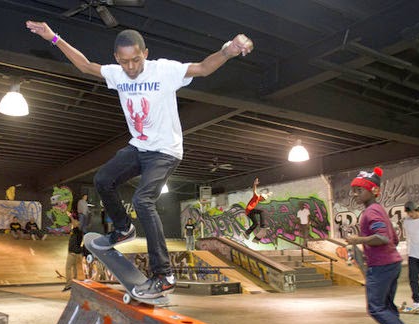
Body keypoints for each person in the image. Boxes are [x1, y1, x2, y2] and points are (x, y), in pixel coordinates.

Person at [26, 20, 253, 299]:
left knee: (142, 200)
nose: (131, 68)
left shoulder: (165, 70)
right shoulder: (118, 73)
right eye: (124, 62)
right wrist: (53, 38)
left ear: (145, 53)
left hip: (166, 150)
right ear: (116, 59)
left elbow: (204, 68)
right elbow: (85, 65)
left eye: (135, 60)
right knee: (103, 179)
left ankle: (164, 275)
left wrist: (229, 50)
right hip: (139, 147)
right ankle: (123, 229)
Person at [346, 167, 419, 324]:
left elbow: (383, 238)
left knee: (376, 308)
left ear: (373, 190)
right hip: (390, 263)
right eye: (355, 190)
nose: (355, 194)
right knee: (386, 309)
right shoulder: (379, 210)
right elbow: (393, 238)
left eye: (360, 190)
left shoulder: (372, 212)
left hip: (382, 266)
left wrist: (358, 239)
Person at [62, 212, 83, 292]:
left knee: (68, 268)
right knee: (75, 270)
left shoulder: (78, 230)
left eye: (76, 222)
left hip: (73, 253)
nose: (73, 224)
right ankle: (74, 285)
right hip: (76, 253)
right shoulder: (75, 231)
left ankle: (68, 285)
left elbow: (75, 223)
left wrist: (71, 216)